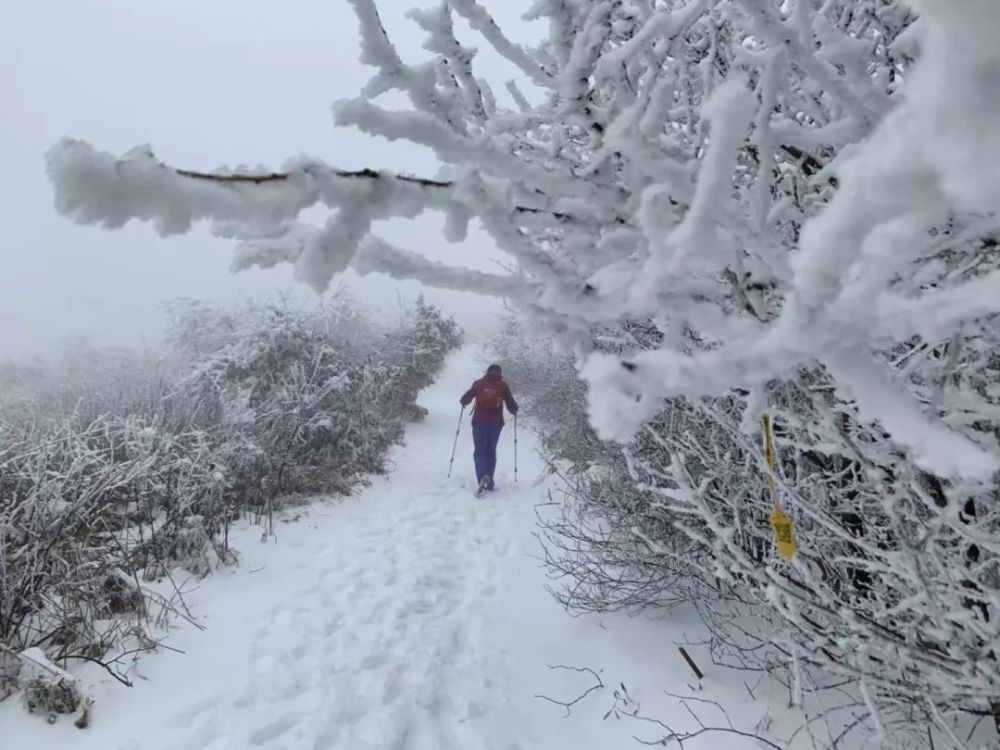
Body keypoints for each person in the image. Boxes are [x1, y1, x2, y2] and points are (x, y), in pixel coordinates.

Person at [460, 364, 518, 494]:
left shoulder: (479, 383)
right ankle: (489, 482)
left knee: (480, 451)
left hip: (479, 421)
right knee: (491, 451)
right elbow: (511, 405)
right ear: (499, 373)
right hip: (496, 423)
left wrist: (463, 401)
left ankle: (482, 477)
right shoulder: (503, 386)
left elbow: (466, 398)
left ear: (488, 372)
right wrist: (515, 410)